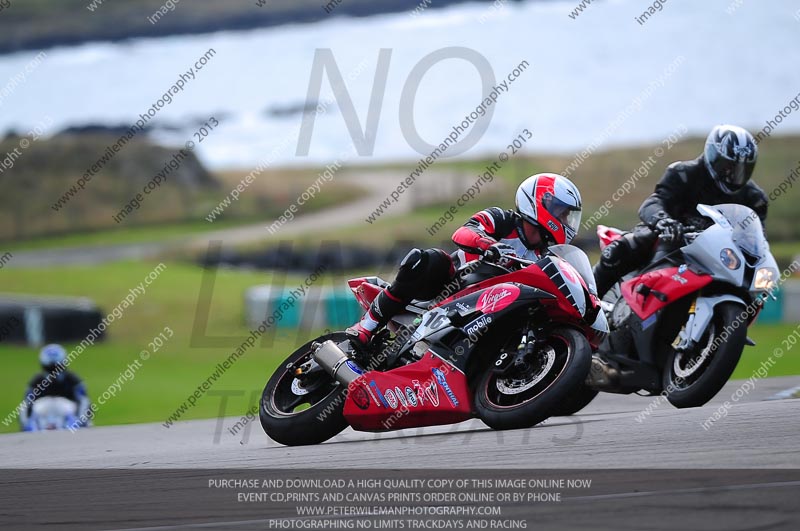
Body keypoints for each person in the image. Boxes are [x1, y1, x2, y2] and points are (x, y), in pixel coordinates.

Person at [346, 173, 583, 347]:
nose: (565, 220)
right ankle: (366, 326)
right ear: (542, 203)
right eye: (562, 212)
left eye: (567, 216)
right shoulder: (502, 219)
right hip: (454, 287)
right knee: (430, 259)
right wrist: (489, 245)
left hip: (495, 306)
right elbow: (463, 233)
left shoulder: (545, 255)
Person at [592, 124, 768, 298]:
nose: (732, 175)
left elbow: (757, 239)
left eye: (741, 169)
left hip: (718, 256)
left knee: (753, 290)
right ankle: (587, 304)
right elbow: (654, 202)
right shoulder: (683, 173)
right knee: (622, 248)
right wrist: (664, 222)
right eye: (728, 166)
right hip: (670, 238)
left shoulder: (754, 198)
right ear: (713, 156)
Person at [19, 344, 91, 431]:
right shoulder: (37, 380)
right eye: (50, 368)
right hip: (43, 411)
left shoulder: (72, 379)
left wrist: (81, 419)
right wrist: (25, 422)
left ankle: (68, 424)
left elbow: (84, 400)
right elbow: (26, 403)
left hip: (67, 410)